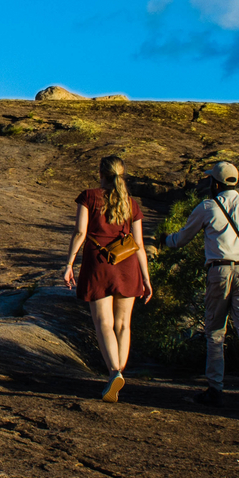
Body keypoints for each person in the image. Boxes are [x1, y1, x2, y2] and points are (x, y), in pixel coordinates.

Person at [165, 161, 239, 412]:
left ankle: (215, 388)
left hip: (219, 272)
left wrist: (165, 241)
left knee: (215, 330)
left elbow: (181, 239)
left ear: (215, 183)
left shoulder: (207, 207)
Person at [63, 155, 153, 402]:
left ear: (100, 172)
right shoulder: (131, 203)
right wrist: (146, 279)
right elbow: (140, 245)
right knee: (123, 324)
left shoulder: (89, 197)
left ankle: (114, 373)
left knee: (104, 322)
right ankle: (119, 373)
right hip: (128, 264)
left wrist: (69, 263)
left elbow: (81, 232)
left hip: (99, 264)